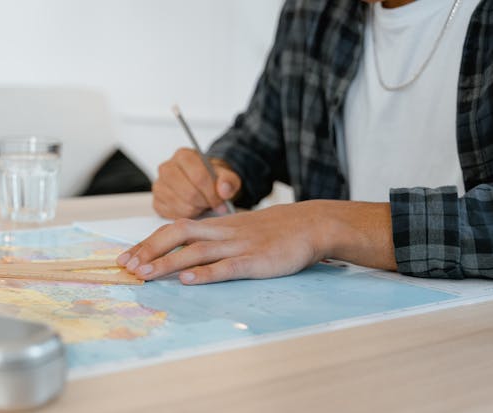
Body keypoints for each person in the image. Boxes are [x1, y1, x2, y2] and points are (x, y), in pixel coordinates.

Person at [118, 0, 493, 284]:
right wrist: (213, 175)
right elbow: (259, 139)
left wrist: (325, 225)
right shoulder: (311, 9)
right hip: (336, 320)